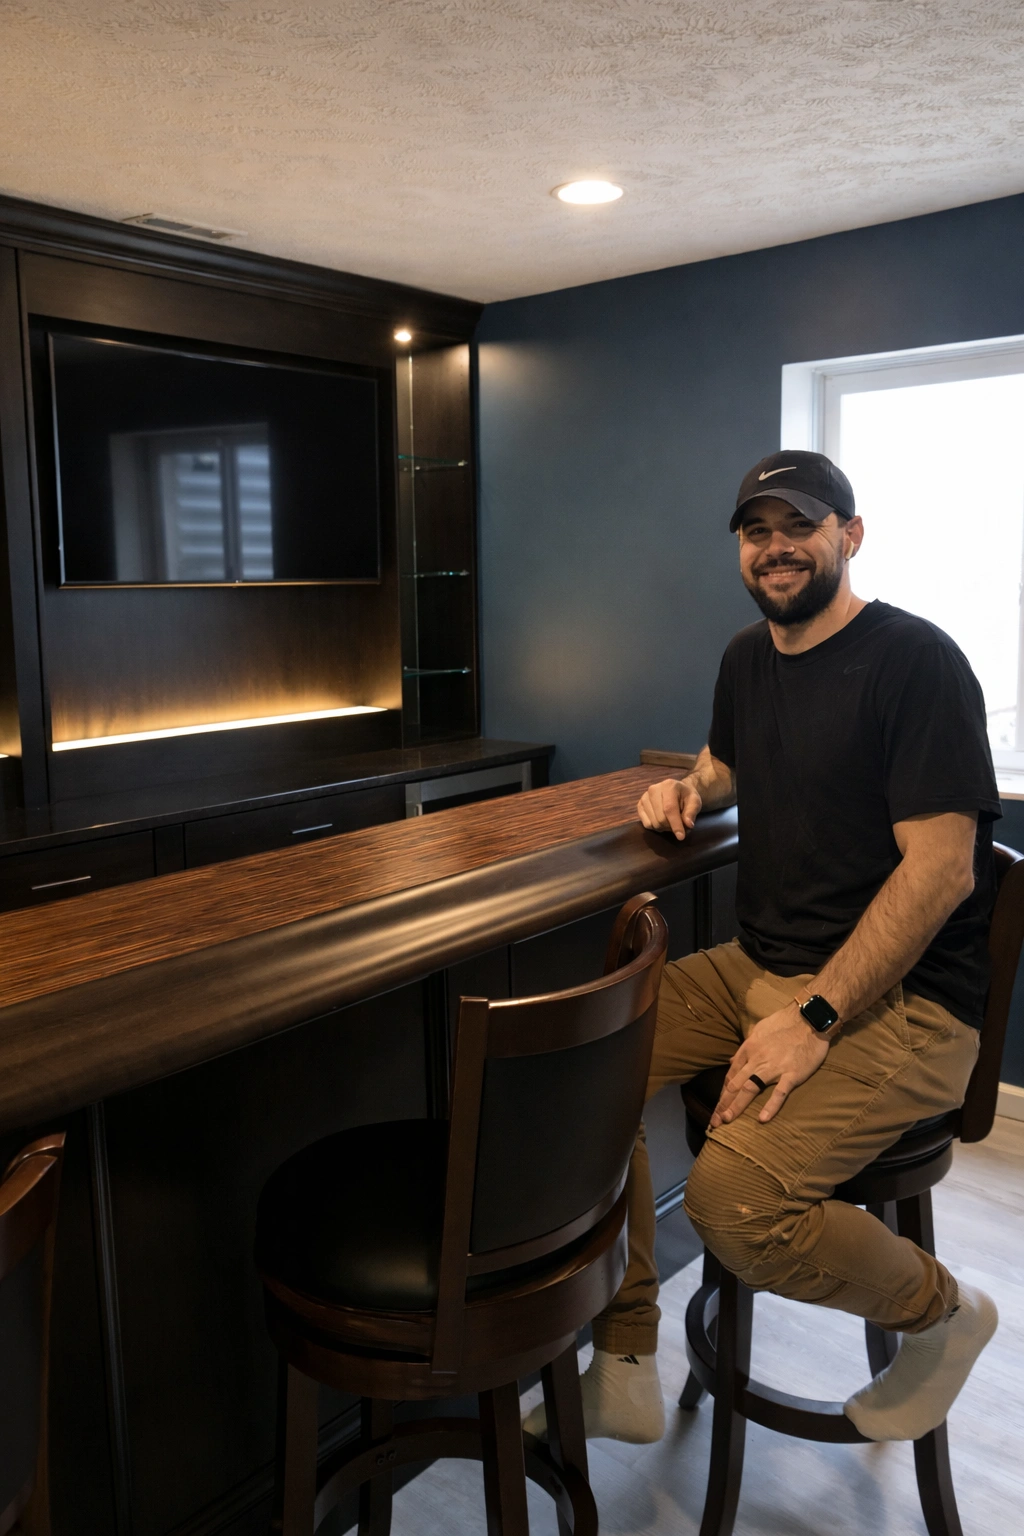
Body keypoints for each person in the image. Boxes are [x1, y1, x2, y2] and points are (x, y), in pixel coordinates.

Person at [525, 448, 1000, 1446]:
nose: (776, 547)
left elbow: (944, 869)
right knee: (577, 1075)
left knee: (732, 1205)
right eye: (756, 531)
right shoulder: (748, 655)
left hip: (903, 1003)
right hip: (755, 963)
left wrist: (816, 1017)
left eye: (799, 526)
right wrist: (693, 790)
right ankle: (624, 1350)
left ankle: (943, 1314)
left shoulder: (917, 662)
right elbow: (730, 759)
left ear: (849, 535)